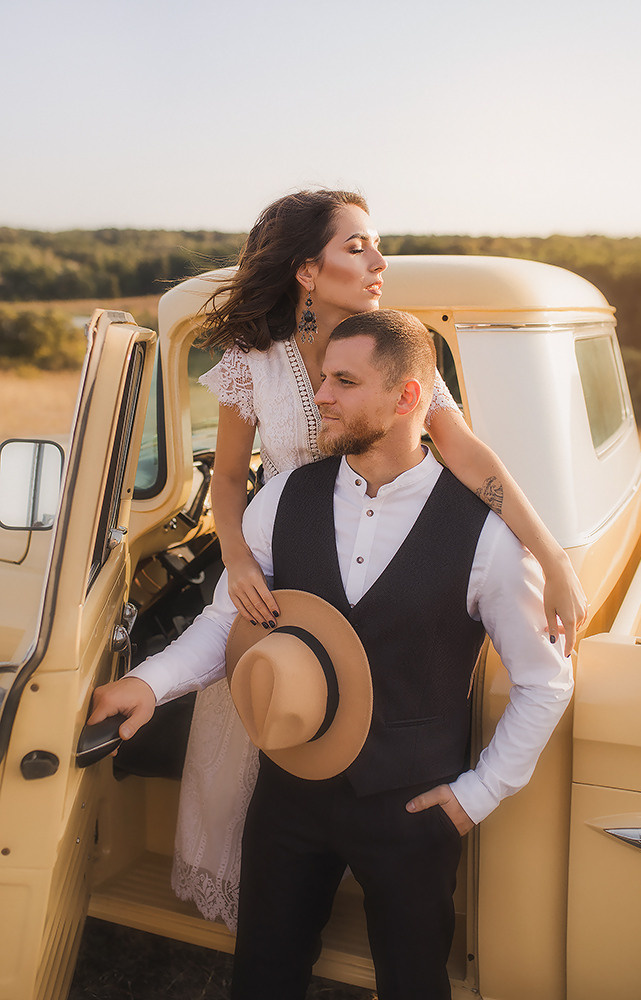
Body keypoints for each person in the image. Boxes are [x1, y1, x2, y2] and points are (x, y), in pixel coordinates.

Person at [89, 309, 575, 999]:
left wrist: (474, 797)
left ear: (408, 398)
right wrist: (146, 683)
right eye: (321, 378)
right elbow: (227, 617)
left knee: (412, 983)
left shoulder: (487, 540)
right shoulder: (283, 498)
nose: (320, 395)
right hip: (288, 798)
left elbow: (542, 682)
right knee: (261, 975)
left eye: (343, 382)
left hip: (412, 811)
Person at [170, 189, 586, 931]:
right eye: (357, 246)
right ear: (306, 269)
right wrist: (237, 561)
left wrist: (548, 555)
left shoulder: (389, 346)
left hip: (377, 559)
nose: (378, 260)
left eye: (375, 243)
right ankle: (269, 904)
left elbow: (459, 449)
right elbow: (229, 478)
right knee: (264, 732)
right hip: (280, 569)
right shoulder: (251, 361)